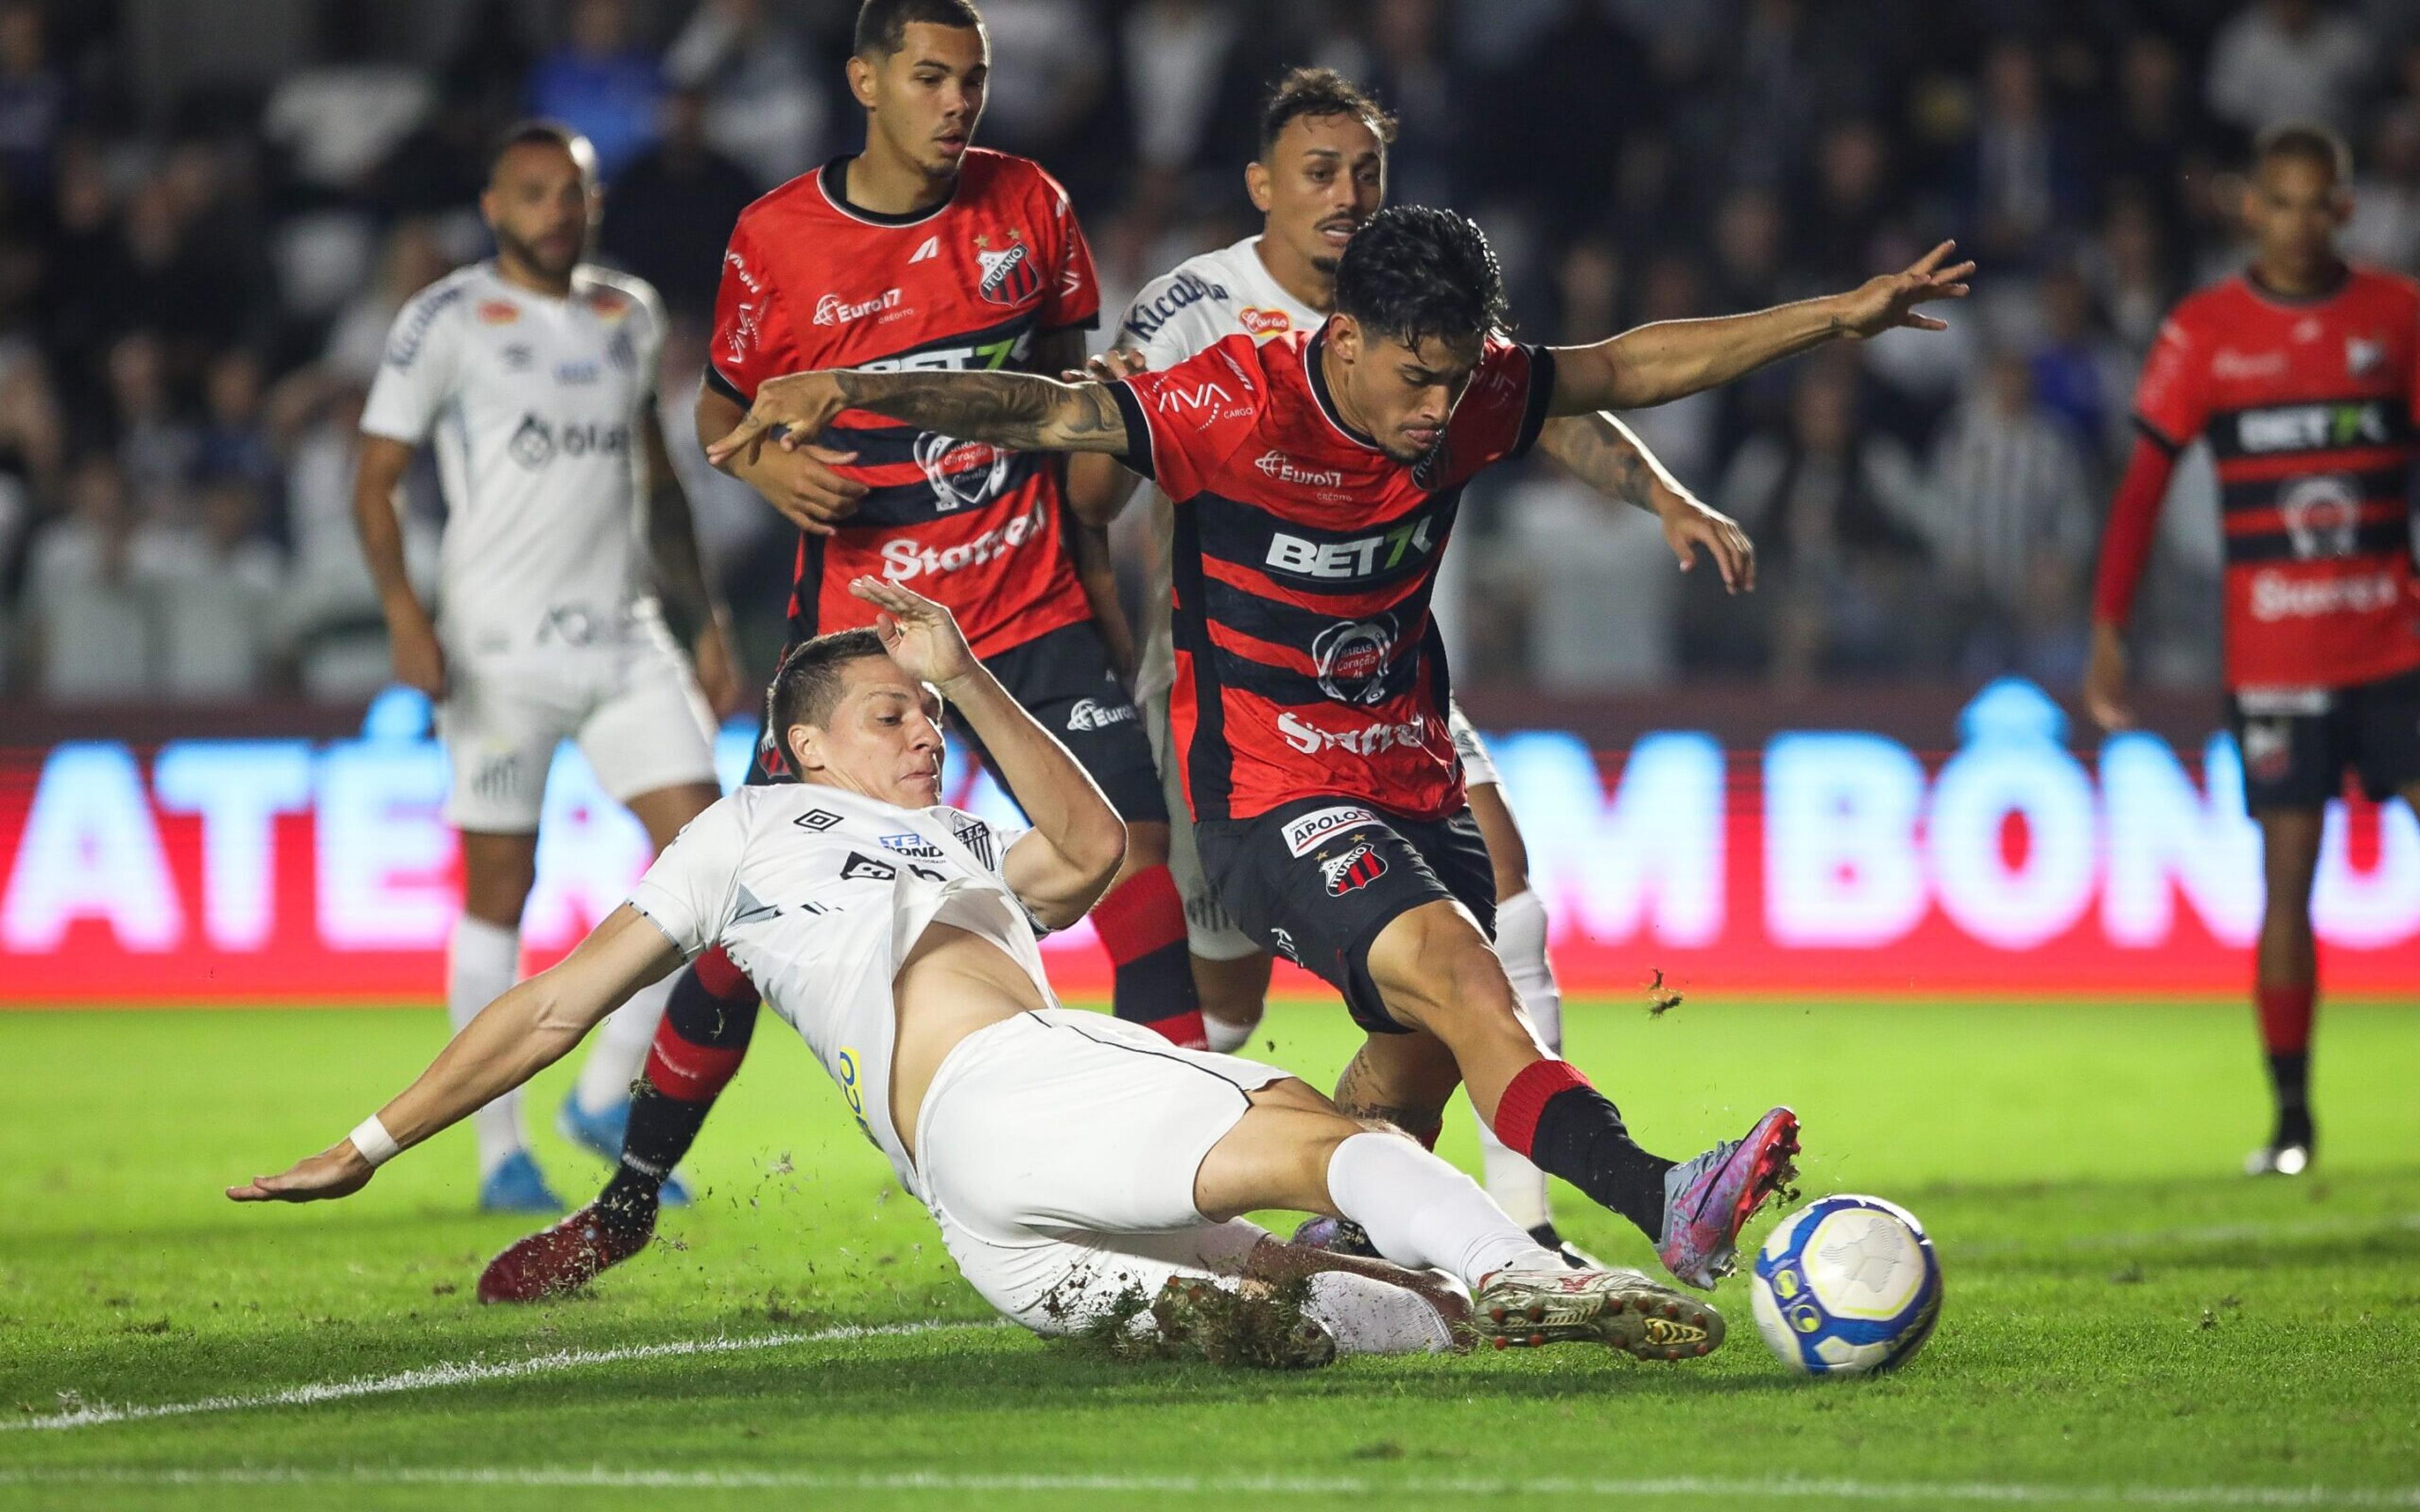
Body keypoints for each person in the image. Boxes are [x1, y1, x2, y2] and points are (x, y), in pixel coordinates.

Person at [706, 205, 1976, 1288]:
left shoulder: (1470, 392)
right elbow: (1041, 412)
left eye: (1456, 379)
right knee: (1474, 983)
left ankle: (1337, 1237)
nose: (1438, 409)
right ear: (1347, 340)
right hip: (1269, 794)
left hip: (1410, 778)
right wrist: (858, 389)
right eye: (1415, 379)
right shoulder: (1226, 405)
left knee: (1417, 1070)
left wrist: (1840, 314)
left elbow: (1630, 366)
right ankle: (1664, 1200)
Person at [228, 580, 1727, 1367]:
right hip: (1016, 1089)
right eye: (888, 715)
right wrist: (373, 1142)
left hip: (990, 1223)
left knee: (1330, 1295)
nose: (918, 735)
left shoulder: (950, 840)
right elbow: (556, 1008)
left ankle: (1372, 1308)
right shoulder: (743, 828)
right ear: (804, 744)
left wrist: (968, 681)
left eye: (920, 719)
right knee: (1345, 1145)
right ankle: (1541, 1269)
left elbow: (1084, 845)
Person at [486, 0, 1206, 1291]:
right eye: (931, 77)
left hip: (1026, 599)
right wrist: (765, 471)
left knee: (1135, 861)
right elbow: (719, 402)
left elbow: (1056, 399)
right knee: (738, 932)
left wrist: (1101, 564)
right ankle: (630, 1199)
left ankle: (1183, 1167)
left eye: (973, 79)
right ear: (865, 80)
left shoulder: (1029, 207)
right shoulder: (778, 237)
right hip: (861, 636)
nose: (958, 102)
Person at [1064, 67, 1754, 1263]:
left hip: (1392, 684)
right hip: (1240, 682)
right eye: (1321, 173)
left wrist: (1660, 493)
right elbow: (1093, 470)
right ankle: (1141, 1198)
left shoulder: (1423, 308)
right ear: (1263, 186)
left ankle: (1500, 1222)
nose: (1347, 195)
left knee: (1492, 923)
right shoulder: (1198, 309)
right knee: (1238, 999)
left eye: (1366, 172)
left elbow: (1562, 393)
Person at [354, 122, 742, 1212]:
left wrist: (704, 619)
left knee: (709, 862)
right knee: (498, 889)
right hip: (496, 646)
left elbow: (656, 477)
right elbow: (373, 478)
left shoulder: (629, 312)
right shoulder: (446, 318)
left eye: (568, 194)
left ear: (593, 201)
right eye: (530, 194)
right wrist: (404, 615)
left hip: (624, 634)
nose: (553, 213)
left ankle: (607, 1090)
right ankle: (500, 1156)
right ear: (494, 205)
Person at [2085, 122, 2420, 1179]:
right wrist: (2110, 629)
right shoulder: (2207, 333)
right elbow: (2141, 493)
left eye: (2318, 202)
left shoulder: (2397, 318)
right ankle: (2292, 1119)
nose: (2298, 221)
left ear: (2344, 210)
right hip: (2275, 658)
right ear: (2252, 210)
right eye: (2280, 202)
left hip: (2394, 643)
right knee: (2287, 881)